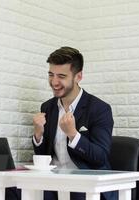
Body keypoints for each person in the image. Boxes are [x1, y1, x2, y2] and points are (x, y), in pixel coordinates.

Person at [32, 47, 117, 200]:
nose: (54, 82)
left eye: (61, 76)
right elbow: (44, 157)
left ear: (78, 77)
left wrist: (73, 134)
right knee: (14, 190)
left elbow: (100, 157)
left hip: (86, 183)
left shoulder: (99, 109)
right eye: (51, 75)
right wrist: (38, 134)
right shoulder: (47, 107)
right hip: (54, 182)